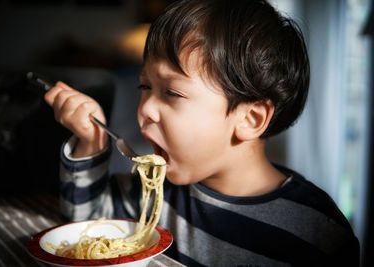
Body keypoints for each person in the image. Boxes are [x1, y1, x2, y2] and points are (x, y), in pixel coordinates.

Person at [44, 0, 360, 266]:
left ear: (250, 118)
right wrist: (90, 141)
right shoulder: (151, 195)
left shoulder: (317, 232)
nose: (145, 109)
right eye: (145, 86)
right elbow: (83, 225)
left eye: (171, 92)